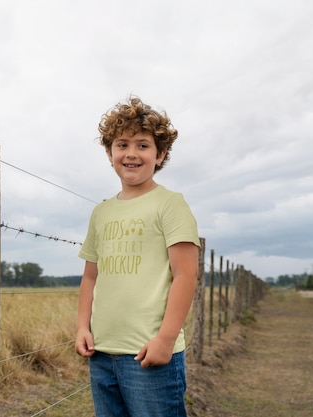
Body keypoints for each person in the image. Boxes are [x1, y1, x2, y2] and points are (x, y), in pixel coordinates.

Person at [75, 96, 200, 416]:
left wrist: (165, 340)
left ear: (161, 155)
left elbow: (185, 275)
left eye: (143, 145)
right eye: (122, 144)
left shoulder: (170, 204)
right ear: (109, 153)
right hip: (101, 354)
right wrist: (82, 328)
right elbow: (91, 276)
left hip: (149, 353)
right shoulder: (101, 212)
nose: (131, 153)